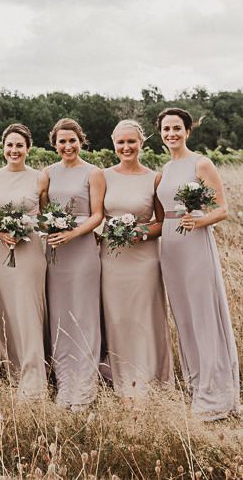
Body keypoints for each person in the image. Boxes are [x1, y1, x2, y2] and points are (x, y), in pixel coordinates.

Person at [156, 107, 240, 420]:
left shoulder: (201, 162)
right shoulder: (165, 167)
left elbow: (223, 209)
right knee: (185, 317)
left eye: (176, 128)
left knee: (204, 313)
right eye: (166, 129)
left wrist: (200, 219)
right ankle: (196, 385)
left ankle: (216, 394)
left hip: (195, 244)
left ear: (187, 130)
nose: (171, 134)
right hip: (171, 249)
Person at [100, 119, 172, 399]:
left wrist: (139, 232)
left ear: (142, 143)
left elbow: (161, 222)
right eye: (121, 142)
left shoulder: (154, 178)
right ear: (113, 143)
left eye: (132, 142)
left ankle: (150, 377)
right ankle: (119, 376)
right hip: (111, 259)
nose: (126, 147)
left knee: (144, 316)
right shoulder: (102, 175)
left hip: (143, 261)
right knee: (116, 316)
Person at [44, 118, 105, 409]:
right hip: (55, 252)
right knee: (60, 314)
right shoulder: (47, 173)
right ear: (54, 144)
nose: (67, 146)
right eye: (61, 141)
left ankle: (84, 386)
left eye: (72, 140)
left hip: (81, 249)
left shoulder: (93, 173)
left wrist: (73, 233)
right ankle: (64, 383)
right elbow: (40, 207)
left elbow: (97, 215)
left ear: (81, 140)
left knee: (84, 314)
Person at [0, 123, 49, 400]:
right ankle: (14, 370)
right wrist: (2, 233)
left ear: (28, 147)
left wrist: (29, 227)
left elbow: (48, 215)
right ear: (3, 148)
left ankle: (35, 378)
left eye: (19, 145)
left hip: (32, 250)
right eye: (9, 145)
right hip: (4, 250)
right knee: (8, 310)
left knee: (29, 309)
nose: (14, 150)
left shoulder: (40, 178)